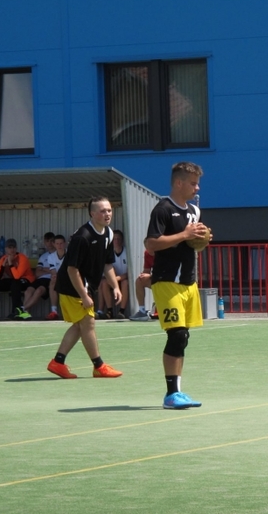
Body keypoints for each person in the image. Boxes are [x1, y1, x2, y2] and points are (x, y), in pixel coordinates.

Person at [145, 161, 210, 409]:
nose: (197, 188)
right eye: (193, 183)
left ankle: (178, 392)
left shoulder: (194, 211)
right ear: (179, 183)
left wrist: (203, 239)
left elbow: (192, 244)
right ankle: (171, 395)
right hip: (167, 281)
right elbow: (151, 244)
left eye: (198, 183)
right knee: (177, 334)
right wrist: (185, 235)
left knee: (183, 338)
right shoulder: (163, 209)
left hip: (188, 282)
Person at [46, 197, 123, 379]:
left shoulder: (108, 233)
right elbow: (72, 269)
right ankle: (99, 366)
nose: (107, 214)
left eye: (109, 210)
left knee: (80, 326)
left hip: (85, 286)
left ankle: (58, 362)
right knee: (88, 323)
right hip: (72, 286)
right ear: (92, 214)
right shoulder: (82, 237)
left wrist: (115, 286)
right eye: (103, 211)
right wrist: (84, 294)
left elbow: (107, 264)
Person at [18, 234, 66, 320]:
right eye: (47, 241)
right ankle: (25, 314)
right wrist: (49, 270)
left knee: (39, 290)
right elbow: (37, 273)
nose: (50, 243)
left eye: (51, 241)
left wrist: (45, 270)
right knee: (28, 291)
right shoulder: (45, 256)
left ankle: (23, 308)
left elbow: (56, 272)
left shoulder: (67, 254)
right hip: (42, 279)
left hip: (50, 279)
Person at [0, 239, 35, 320]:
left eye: (14, 247)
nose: (12, 250)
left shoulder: (22, 258)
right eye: (9, 247)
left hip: (26, 280)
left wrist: (10, 263)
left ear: (16, 248)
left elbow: (17, 276)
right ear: (6, 249)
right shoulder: (3, 259)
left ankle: (15, 312)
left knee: (15, 284)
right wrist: (3, 266)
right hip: (14, 280)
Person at [97, 229, 129, 319]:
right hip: (113, 279)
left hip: (123, 279)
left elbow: (129, 273)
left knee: (125, 283)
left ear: (122, 240)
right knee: (104, 282)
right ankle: (109, 311)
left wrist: (117, 278)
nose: (116, 241)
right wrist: (113, 279)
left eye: (118, 239)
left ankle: (121, 311)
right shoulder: (108, 253)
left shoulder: (127, 253)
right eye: (114, 239)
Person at [45, 234, 67, 320]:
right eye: (57, 243)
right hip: (59, 278)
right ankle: (54, 311)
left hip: (70, 278)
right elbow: (53, 271)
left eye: (61, 243)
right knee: (53, 281)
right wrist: (55, 276)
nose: (59, 246)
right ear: (54, 244)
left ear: (65, 244)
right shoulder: (51, 257)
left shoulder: (70, 254)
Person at [129, 250, 154, 321]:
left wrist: (150, 276)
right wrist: (142, 275)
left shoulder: (163, 251)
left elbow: (166, 272)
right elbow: (146, 271)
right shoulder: (147, 253)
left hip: (169, 281)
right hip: (157, 279)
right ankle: (142, 311)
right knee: (139, 281)